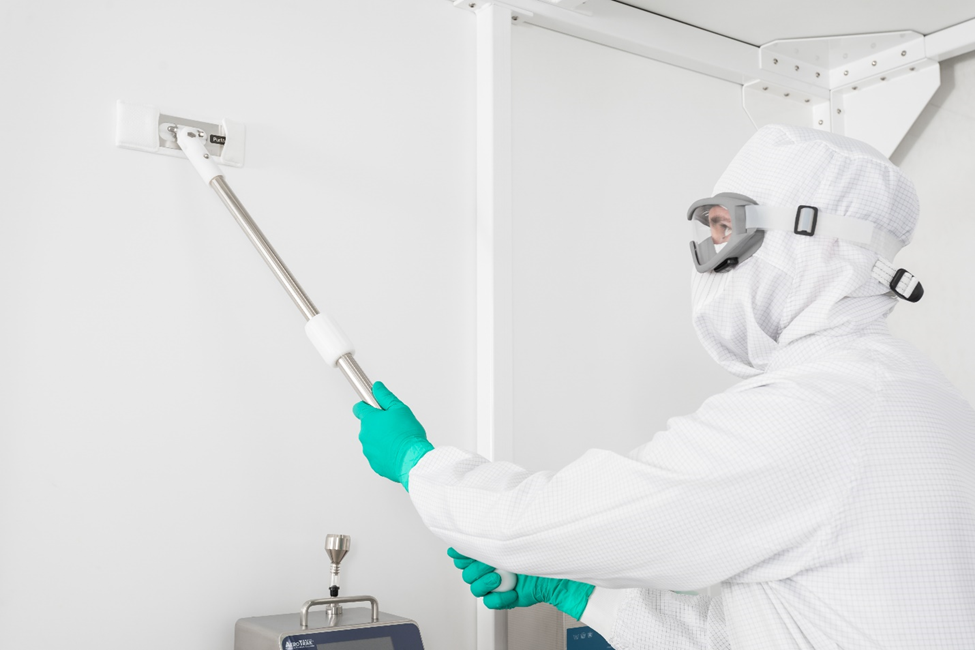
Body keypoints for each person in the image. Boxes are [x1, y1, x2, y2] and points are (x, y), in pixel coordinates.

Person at [352, 125, 975, 648]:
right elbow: (774, 631)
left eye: (727, 231)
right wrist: (576, 591)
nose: (709, 257)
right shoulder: (924, 398)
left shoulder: (819, 410)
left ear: (813, 241)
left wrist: (421, 465)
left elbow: (542, 520)